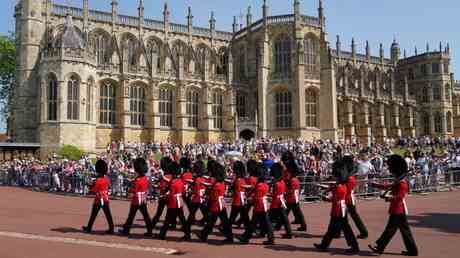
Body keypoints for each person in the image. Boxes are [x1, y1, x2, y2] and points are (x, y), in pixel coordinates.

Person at [369, 155, 418, 256]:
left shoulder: (402, 183)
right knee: (405, 232)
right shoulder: (398, 181)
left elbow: (400, 197)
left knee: (390, 230)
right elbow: (388, 186)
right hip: (397, 209)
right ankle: (412, 250)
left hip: (398, 210)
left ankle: (379, 247)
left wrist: (388, 198)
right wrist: (375, 185)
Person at [314, 157, 360, 254]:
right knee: (332, 229)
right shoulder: (340, 184)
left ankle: (354, 247)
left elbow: (335, 199)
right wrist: (323, 187)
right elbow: (333, 188)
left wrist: (326, 198)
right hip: (338, 209)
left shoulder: (340, 187)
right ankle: (324, 245)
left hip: (339, 210)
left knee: (346, 229)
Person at [237, 164, 274, 245]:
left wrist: (250, 199)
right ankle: (246, 237)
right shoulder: (264, 184)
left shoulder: (260, 185)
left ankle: (246, 238)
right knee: (262, 223)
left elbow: (256, 197)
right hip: (263, 205)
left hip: (259, 206)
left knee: (257, 223)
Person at [196, 163, 234, 243]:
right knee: (220, 221)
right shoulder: (222, 183)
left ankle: (204, 235)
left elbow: (213, 197)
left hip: (216, 205)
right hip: (221, 204)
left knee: (212, 221)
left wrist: (207, 196)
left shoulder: (216, 185)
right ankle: (204, 235)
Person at [119, 158, 153, 236]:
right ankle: (150, 231)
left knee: (131, 216)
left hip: (136, 200)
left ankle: (126, 230)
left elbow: (134, 190)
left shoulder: (138, 180)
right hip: (143, 199)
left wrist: (130, 187)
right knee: (145, 216)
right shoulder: (144, 178)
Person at [157, 161, 191, 240]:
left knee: (167, 219)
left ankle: (162, 235)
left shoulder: (173, 182)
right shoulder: (180, 181)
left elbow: (171, 194)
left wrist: (163, 195)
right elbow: (183, 192)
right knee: (182, 219)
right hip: (180, 202)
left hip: (173, 203)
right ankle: (187, 234)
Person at [82, 160, 114, 234]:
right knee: (108, 214)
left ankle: (89, 228)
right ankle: (111, 228)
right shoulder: (106, 179)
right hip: (105, 198)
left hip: (99, 199)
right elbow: (108, 186)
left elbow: (94, 189)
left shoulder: (98, 180)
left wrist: (89, 185)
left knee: (93, 214)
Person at [343, 155, 369, 239]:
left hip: (349, 198)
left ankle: (364, 232)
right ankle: (339, 231)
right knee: (344, 216)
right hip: (347, 197)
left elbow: (347, 189)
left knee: (354, 216)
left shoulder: (350, 178)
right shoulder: (349, 176)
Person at [268, 162, 293, 239]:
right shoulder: (282, 182)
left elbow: (273, 194)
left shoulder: (276, 183)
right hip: (281, 202)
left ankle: (270, 236)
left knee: (269, 220)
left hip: (275, 203)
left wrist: (267, 195)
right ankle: (289, 233)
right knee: (285, 219)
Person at [284, 159, 307, 231]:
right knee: (298, 213)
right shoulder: (295, 179)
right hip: (294, 198)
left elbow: (290, 190)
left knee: (284, 214)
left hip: (291, 198)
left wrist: (285, 193)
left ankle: (283, 228)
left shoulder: (293, 180)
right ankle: (303, 226)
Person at [151, 157, 173, 229]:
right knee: (169, 213)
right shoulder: (171, 176)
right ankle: (172, 224)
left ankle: (152, 225)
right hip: (169, 197)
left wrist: (156, 186)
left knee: (159, 213)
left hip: (163, 197)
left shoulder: (165, 176)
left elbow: (162, 187)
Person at [186, 160, 208, 230]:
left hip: (198, 198)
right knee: (205, 214)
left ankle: (186, 229)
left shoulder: (197, 179)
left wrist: (191, 190)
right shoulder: (203, 178)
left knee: (191, 214)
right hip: (202, 197)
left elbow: (195, 189)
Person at [228, 161, 250, 228]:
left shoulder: (238, 179)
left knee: (232, 217)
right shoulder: (243, 178)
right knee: (245, 217)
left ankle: (227, 229)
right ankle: (249, 230)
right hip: (242, 199)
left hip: (237, 200)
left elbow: (232, 187)